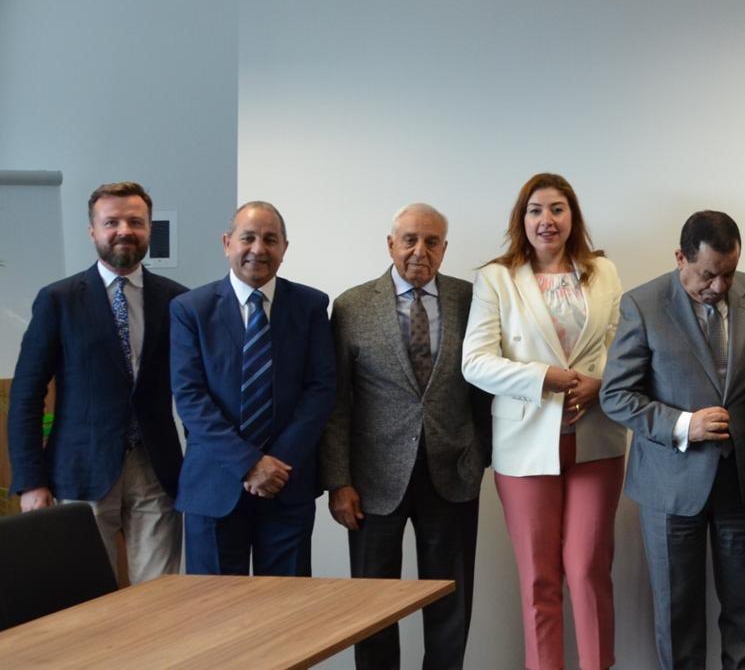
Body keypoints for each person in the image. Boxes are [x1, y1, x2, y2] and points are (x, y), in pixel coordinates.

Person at [602, 210, 745, 670]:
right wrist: (684, 424)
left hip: (744, 481)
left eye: (729, 273)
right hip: (669, 484)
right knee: (677, 614)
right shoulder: (642, 304)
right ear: (680, 257)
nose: (719, 286)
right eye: (707, 275)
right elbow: (616, 395)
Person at [460, 173, 625, 670]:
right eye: (535, 210)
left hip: (597, 439)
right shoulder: (497, 278)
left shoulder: (603, 271)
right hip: (525, 444)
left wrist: (600, 384)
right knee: (539, 578)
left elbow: (624, 347)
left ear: (572, 216)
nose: (546, 220)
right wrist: (541, 377)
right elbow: (475, 362)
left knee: (588, 568)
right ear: (522, 219)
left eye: (557, 209)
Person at [321, 203, 490, 670]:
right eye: (410, 240)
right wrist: (338, 481)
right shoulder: (352, 305)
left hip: (452, 474)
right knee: (372, 608)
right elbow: (338, 401)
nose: (420, 251)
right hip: (372, 482)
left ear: (444, 248)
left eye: (431, 242)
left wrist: (480, 454)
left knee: (451, 601)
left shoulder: (469, 299)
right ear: (390, 244)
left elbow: (486, 387)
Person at [9, 181, 189, 583]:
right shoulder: (58, 300)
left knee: (161, 595)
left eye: (135, 222)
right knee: (89, 594)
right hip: (80, 471)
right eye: (112, 222)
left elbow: (194, 390)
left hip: (156, 469)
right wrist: (31, 482)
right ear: (92, 231)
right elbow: (26, 395)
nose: (124, 230)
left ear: (149, 229)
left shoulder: (178, 301)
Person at [170, 201, 335, 576]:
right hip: (214, 484)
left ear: (284, 248)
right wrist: (249, 464)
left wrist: (275, 465)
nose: (258, 249)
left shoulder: (310, 305)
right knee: (215, 606)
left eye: (270, 240)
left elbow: (320, 390)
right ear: (227, 243)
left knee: (286, 607)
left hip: (286, 483)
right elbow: (191, 398)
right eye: (248, 238)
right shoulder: (190, 309)